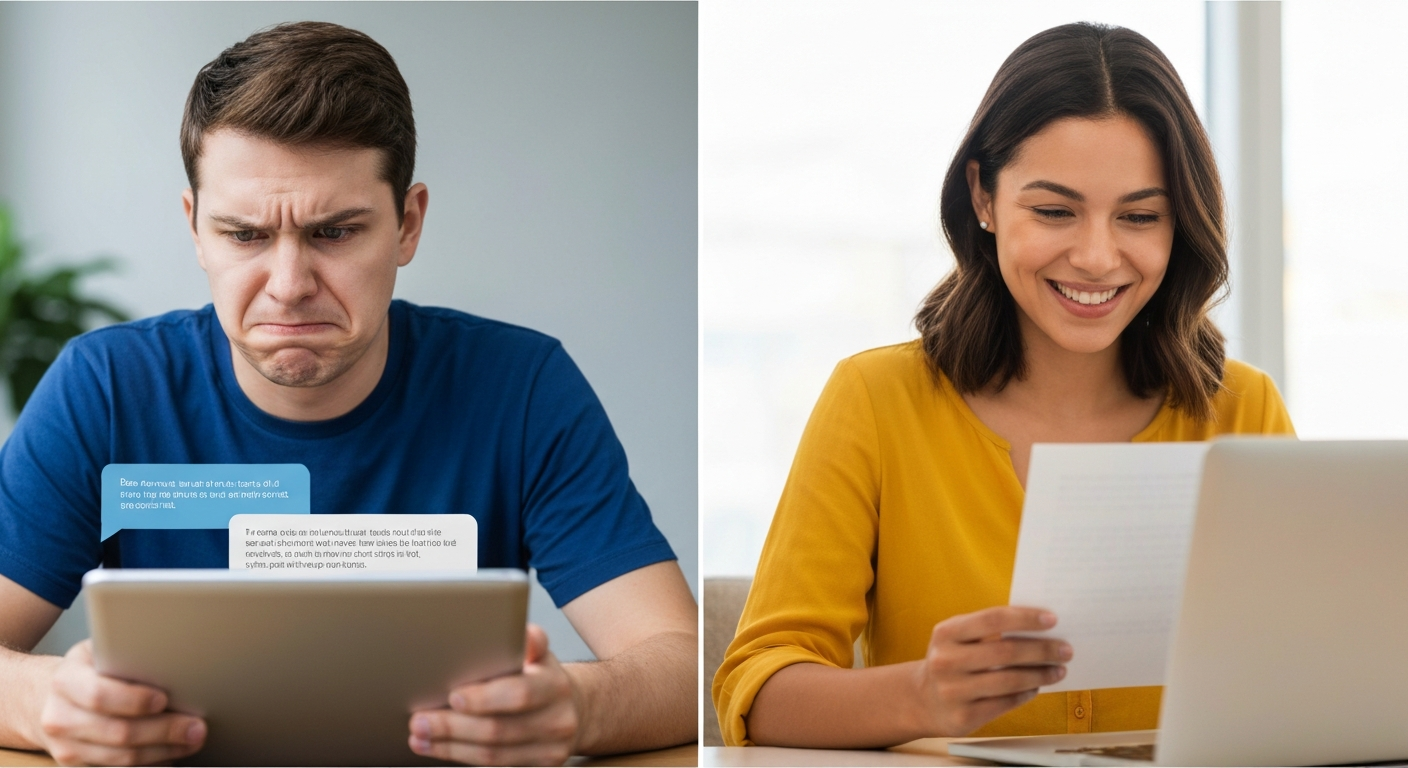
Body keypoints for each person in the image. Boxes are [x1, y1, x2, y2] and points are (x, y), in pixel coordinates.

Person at [0, 21, 696, 767]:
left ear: (408, 224)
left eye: (334, 233)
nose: (290, 286)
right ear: (195, 229)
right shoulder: (106, 389)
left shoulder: (520, 389)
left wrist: (577, 705)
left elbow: (684, 665)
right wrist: (48, 704)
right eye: (244, 235)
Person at [712, 22, 1294, 748]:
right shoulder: (875, 399)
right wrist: (920, 695)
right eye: (1054, 211)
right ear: (983, 196)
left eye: (1140, 217)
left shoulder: (1241, 411)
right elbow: (759, 691)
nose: (1096, 255)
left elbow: (1311, 663)